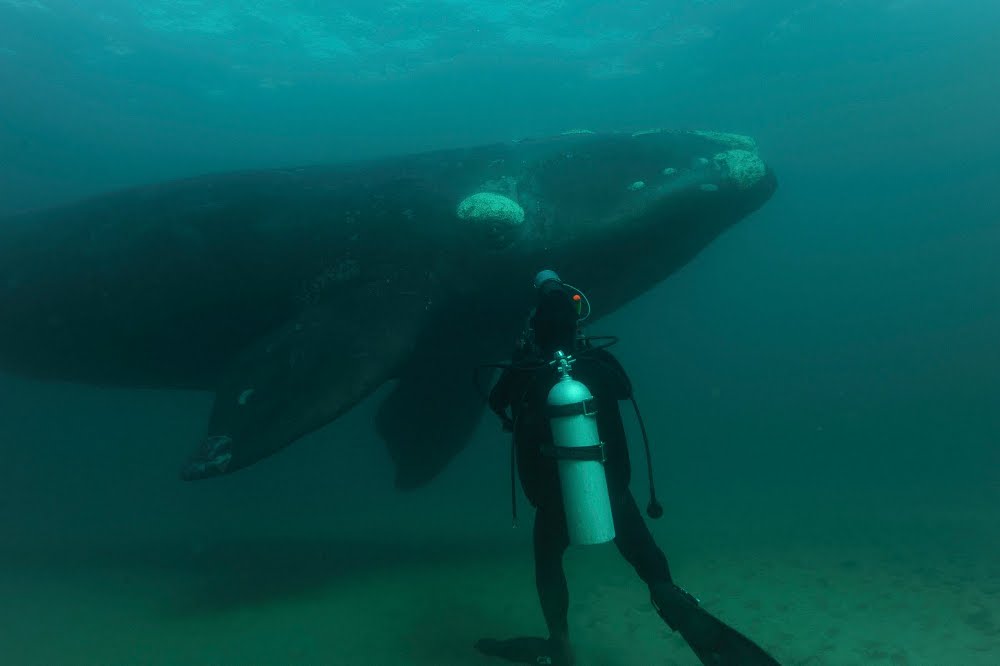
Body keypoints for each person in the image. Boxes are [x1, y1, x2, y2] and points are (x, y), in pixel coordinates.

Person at [476, 270, 779, 666]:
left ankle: (561, 642)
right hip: (610, 489)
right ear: (576, 324)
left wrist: (524, 359)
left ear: (537, 328)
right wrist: (582, 351)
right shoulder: (596, 361)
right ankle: (672, 599)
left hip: (553, 501)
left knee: (548, 563)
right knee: (645, 557)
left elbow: (496, 401)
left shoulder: (525, 371)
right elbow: (624, 389)